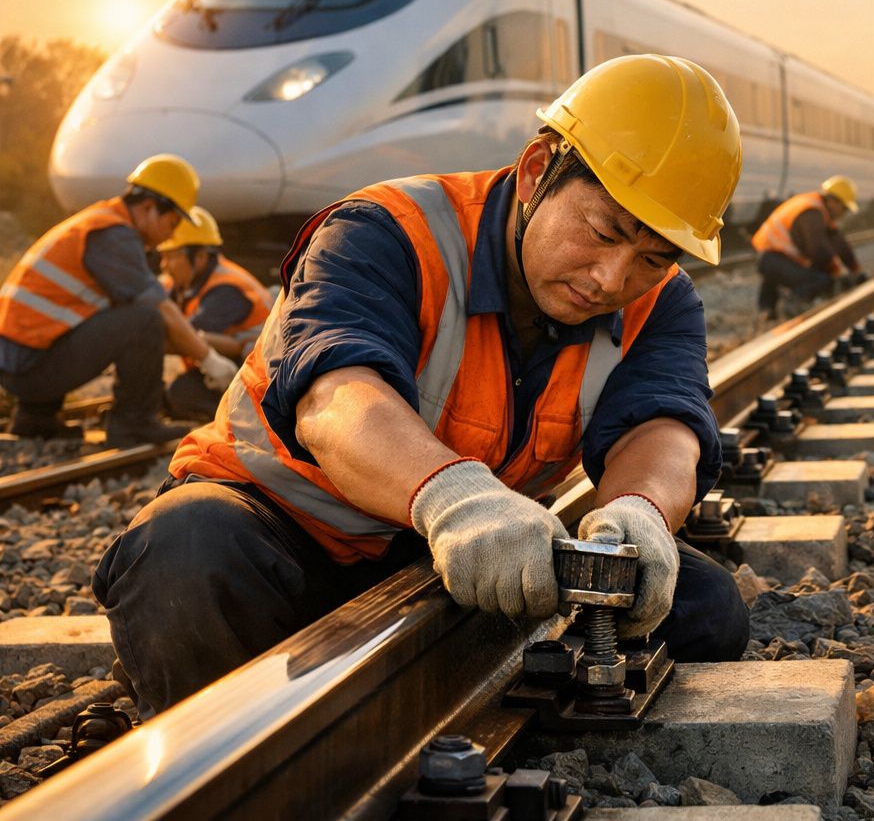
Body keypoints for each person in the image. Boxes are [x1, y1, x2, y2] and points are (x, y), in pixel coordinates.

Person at [93, 55, 752, 714]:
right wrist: (456, 500)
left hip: (442, 555)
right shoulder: (386, 234)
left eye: (653, 256)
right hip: (285, 542)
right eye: (602, 230)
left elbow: (662, 421)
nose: (612, 279)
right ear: (534, 172)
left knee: (706, 609)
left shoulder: (661, 301)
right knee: (184, 547)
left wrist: (643, 512)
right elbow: (336, 398)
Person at [0, 155, 240, 446]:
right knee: (144, 319)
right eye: (173, 222)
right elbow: (160, 310)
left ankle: (35, 418)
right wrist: (209, 359)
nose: (171, 234)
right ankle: (134, 423)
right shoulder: (114, 236)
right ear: (149, 208)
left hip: (19, 362)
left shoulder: (98, 223)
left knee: (117, 317)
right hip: (29, 368)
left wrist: (194, 349)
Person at [158, 207, 275, 421]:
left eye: (171, 256)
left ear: (200, 257)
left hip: (262, 376)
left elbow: (181, 338)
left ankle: (247, 418)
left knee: (182, 393)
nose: (163, 265)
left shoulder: (227, 290)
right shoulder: (182, 282)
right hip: (233, 361)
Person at [752, 174, 866, 319]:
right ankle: (794, 304)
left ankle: (767, 312)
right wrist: (838, 272)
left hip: (773, 258)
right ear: (832, 201)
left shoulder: (818, 209)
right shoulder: (811, 213)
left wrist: (856, 269)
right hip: (770, 258)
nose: (844, 213)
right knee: (822, 279)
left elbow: (839, 242)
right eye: (844, 208)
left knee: (792, 273)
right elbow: (818, 250)